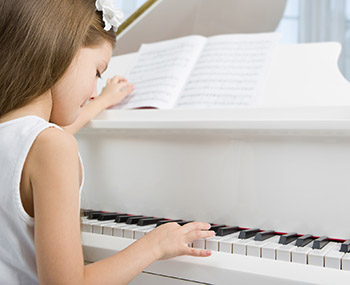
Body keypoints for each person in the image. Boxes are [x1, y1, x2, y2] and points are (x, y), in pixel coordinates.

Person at [0, 0, 215, 284]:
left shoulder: (19, 136)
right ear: (62, 50)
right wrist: (154, 245)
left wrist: (104, 101)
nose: (93, 90)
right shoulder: (53, 147)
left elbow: (53, 133)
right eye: (97, 72)